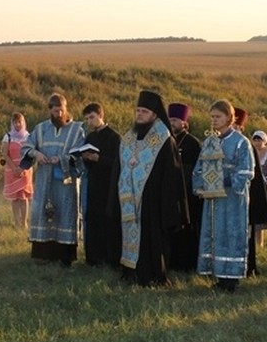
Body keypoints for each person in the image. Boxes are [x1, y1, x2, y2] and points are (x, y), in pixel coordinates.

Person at [115, 90, 189, 286]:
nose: (139, 114)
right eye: (138, 110)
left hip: (153, 202)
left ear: (155, 114)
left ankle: (152, 276)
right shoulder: (129, 137)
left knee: (152, 240)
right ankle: (130, 272)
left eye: (144, 111)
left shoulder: (164, 140)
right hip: (129, 199)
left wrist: (166, 204)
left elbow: (171, 176)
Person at [192, 99, 254, 292]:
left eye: (218, 116)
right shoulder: (210, 141)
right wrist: (202, 184)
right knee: (214, 233)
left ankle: (231, 279)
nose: (214, 120)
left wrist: (225, 181)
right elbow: (199, 168)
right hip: (213, 199)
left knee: (231, 234)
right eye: (212, 117)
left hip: (233, 199)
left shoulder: (241, 142)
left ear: (229, 117)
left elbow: (247, 171)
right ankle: (218, 275)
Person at [20, 93, 85, 267]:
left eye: (61, 111)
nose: (58, 114)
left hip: (66, 180)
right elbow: (26, 146)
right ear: (50, 110)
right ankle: (44, 254)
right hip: (44, 179)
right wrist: (37, 154)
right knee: (42, 212)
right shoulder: (41, 129)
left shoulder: (76, 129)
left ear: (66, 109)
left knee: (66, 213)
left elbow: (80, 152)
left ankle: (65, 257)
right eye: (55, 111)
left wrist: (63, 158)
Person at [81, 102, 122, 267]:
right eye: (87, 119)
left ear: (100, 115)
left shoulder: (114, 137)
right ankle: (93, 258)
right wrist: (86, 158)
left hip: (108, 186)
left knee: (107, 221)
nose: (90, 122)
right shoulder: (90, 137)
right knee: (93, 220)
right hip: (93, 184)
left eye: (92, 117)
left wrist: (99, 159)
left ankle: (109, 257)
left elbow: (118, 164)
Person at [234, 108, 267, 277]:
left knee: (247, 235)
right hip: (230, 197)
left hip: (245, 196)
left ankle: (248, 267)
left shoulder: (244, 145)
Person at [167, 102, 203, 272]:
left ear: (184, 122)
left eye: (175, 119)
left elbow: (195, 171)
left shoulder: (192, 143)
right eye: (170, 119)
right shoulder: (167, 140)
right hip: (170, 193)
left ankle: (187, 264)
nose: (172, 122)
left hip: (188, 194)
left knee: (187, 229)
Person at [1, 112, 33, 230]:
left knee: (23, 196)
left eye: (19, 122)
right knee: (14, 198)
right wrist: (14, 167)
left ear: (23, 122)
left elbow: (31, 153)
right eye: (15, 122)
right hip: (11, 169)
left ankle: (24, 222)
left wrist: (23, 168)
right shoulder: (8, 137)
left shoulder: (28, 136)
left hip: (25, 169)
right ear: (12, 123)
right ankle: (16, 222)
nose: (17, 125)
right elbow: (4, 153)